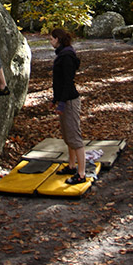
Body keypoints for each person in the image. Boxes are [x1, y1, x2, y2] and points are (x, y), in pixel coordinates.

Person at [50, 27, 86, 185]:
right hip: (64, 99)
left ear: (57, 39)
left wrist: (63, 102)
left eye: (51, 39)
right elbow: (58, 82)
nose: (50, 42)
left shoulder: (67, 56)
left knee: (74, 138)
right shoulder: (62, 54)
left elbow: (67, 82)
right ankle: (72, 166)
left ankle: (81, 173)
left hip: (70, 101)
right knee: (67, 136)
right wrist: (55, 99)